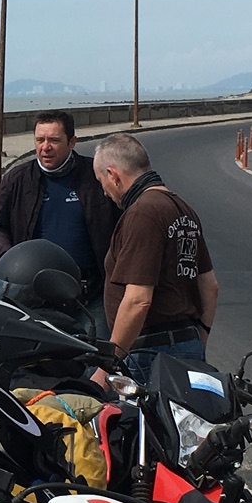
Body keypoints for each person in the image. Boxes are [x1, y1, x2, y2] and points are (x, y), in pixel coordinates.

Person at [92, 132, 219, 378]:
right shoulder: (183, 208)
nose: (105, 193)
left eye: (101, 182)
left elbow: (138, 300)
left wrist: (107, 366)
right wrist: (198, 338)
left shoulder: (143, 213)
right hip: (188, 343)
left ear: (113, 175)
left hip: (150, 353)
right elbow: (210, 286)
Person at [0, 111, 117, 328]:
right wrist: (11, 260)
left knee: (95, 358)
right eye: (40, 140)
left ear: (72, 142)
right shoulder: (17, 180)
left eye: (54, 140)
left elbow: (123, 226)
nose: (45, 147)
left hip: (91, 297)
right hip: (34, 299)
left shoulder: (96, 177)